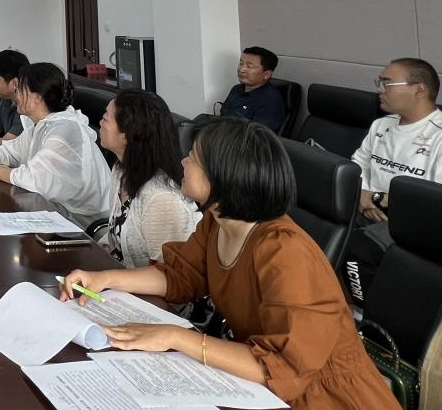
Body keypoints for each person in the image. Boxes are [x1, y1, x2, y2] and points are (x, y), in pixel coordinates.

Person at [60, 118, 401, 410]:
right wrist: (104, 278)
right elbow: (181, 275)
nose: (183, 162)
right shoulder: (217, 221)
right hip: (262, 382)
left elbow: (281, 367)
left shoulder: (286, 253)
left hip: (323, 396)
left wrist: (175, 337)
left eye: (193, 158)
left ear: (224, 176)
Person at [345, 57, 442, 307]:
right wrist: (363, 196)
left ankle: (362, 313)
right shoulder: (381, 124)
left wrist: (375, 199)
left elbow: (432, 200)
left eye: (387, 83)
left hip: (414, 221)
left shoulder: (438, 135)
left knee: (359, 248)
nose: (380, 89)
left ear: (419, 89)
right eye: (379, 82)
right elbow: (357, 165)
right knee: (309, 223)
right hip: (366, 204)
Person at [0, 63, 112, 223]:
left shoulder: (65, 130)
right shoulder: (40, 124)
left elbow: (35, 180)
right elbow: (11, 151)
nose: (16, 94)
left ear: (37, 97)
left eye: (20, 89)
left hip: (83, 221)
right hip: (54, 210)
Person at [96, 89, 201, 266]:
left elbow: (169, 272)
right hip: (117, 277)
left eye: (106, 118)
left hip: (145, 284)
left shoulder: (160, 198)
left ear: (127, 135)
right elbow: (116, 239)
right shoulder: (121, 170)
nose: (100, 122)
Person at [219, 46, 285, 132]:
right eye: (241, 63)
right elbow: (222, 117)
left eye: (249, 66)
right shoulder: (236, 89)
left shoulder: (271, 100)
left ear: (267, 74)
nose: (242, 69)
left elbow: (257, 136)